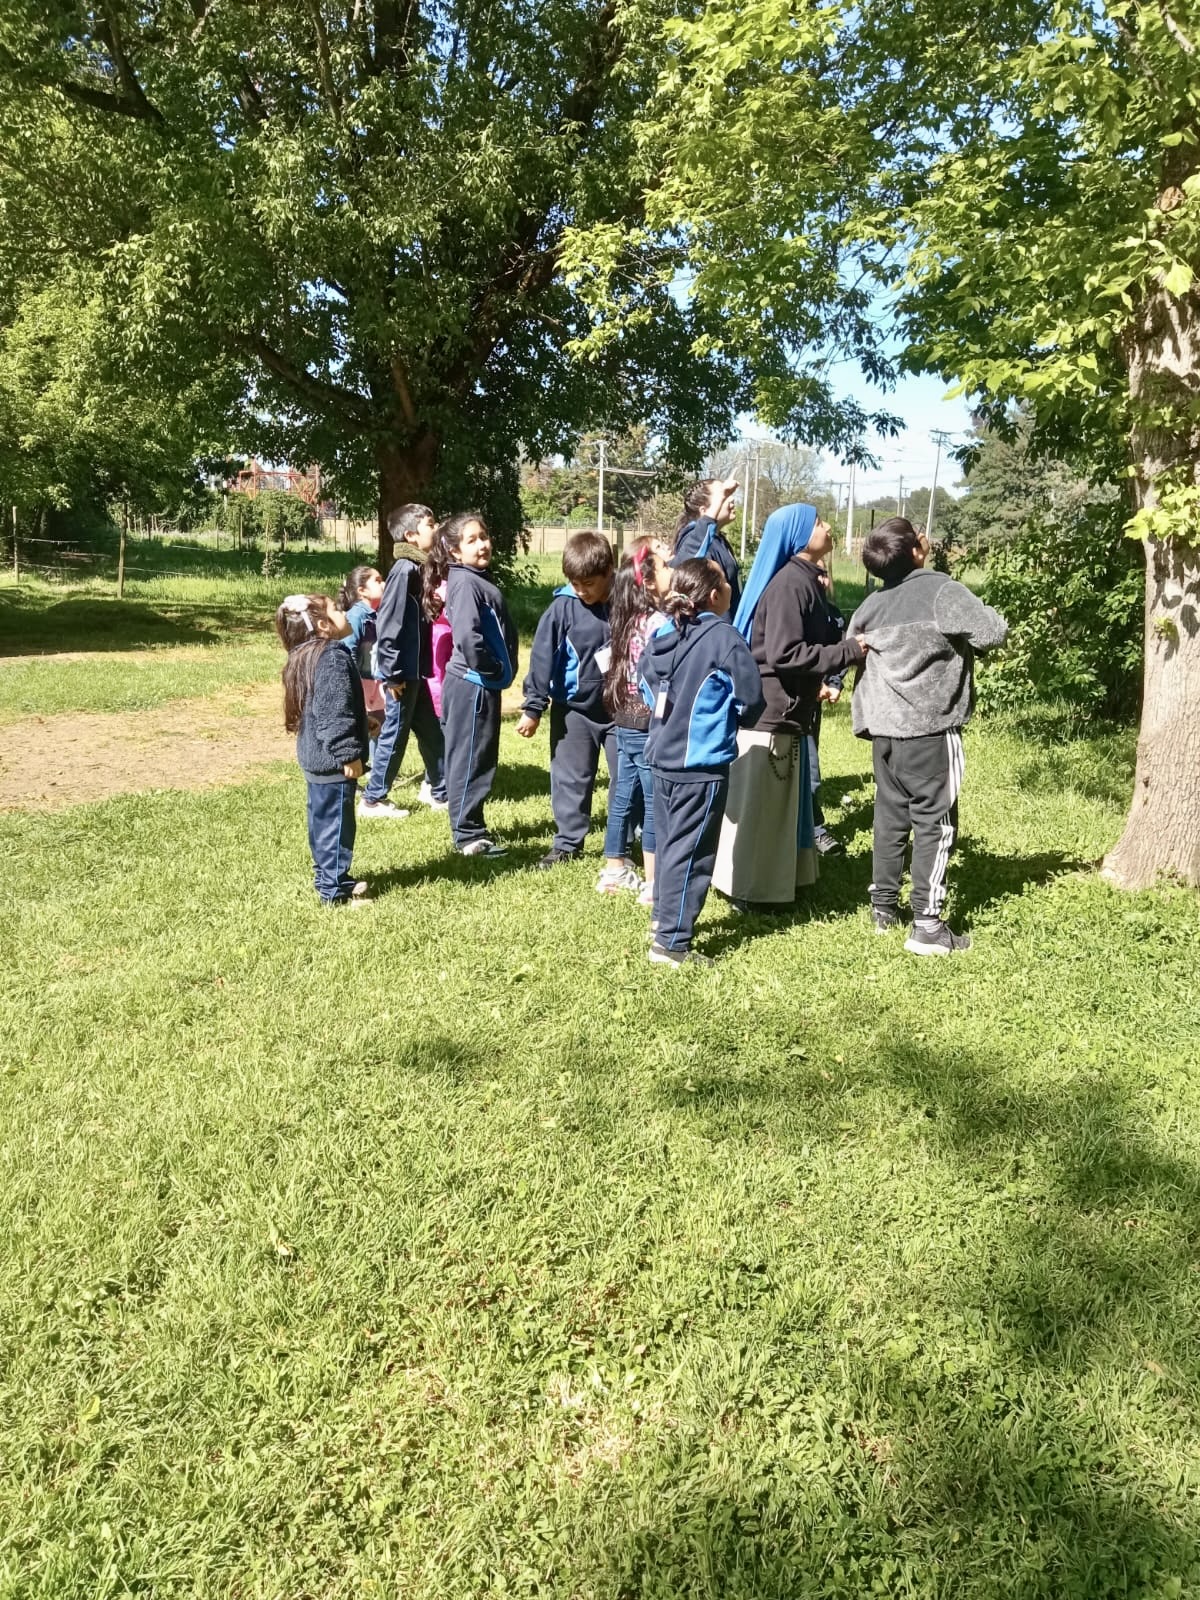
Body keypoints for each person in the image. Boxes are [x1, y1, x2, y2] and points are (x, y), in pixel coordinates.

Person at [847, 516, 1009, 955]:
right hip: (930, 730)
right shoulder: (941, 591)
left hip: (884, 730)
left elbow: (853, 650)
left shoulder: (870, 605)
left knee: (890, 818)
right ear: (916, 550)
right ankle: (928, 926)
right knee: (935, 824)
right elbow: (992, 633)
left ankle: (883, 908)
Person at [713, 504, 867, 909]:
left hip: (788, 712)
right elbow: (785, 653)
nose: (828, 526)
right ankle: (745, 889)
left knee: (775, 809)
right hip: (771, 713)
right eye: (818, 522)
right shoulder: (789, 586)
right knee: (759, 811)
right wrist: (848, 652)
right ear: (799, 536)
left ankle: (775, 884)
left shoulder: (804, 580)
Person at [639, 558, 765, 967]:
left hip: (661, 757)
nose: (730, 587)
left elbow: (644, 684)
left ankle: (662, 919)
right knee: (691, 852)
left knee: (670, 844)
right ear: (714, 595)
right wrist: (730, 719)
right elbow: (750, 698)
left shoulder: (663, 631)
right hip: (701, 765)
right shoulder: (723, 637)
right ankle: (672, 944)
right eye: (726, 582)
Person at [516, 530, 618, 870]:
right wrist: (533, 707)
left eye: (588, 583)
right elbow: (542, 658)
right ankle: (567, 844)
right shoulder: (561, 608)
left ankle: (622, 842)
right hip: (573, 710)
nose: (581, 591)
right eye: (575, 583)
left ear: (609, 572)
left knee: (627, 778)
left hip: (622, 710)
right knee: (571, 778)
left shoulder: (628, 600)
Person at [275, 593, 371, 905]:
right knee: (337, 828)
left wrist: (363, 720)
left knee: (322, 825)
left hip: (315, 757)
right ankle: (334, 892)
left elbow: (319, 706)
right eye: (337, 609)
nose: (344, 612)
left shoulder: (304, 655)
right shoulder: (331, 656)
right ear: (322, 625)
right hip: (333, 761)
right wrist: (348, 753)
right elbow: (333, 713)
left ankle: (329, 878)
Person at [360, 503, 448, 819]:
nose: (436, 528)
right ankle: (373, 800)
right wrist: (392, 674)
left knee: (431, 733)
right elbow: (389, 623)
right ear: (410, 535)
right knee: (394, 734)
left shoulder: (420, 568)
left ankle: (441, 792)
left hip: (415, 671)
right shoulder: (404, 570)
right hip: (401, 674)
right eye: (430, 524)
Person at [438, 511, 518, 857]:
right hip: (472, 686)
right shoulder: (466, 583)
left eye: (483, 537)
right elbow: (469, 637)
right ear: (455, 551)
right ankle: (468, 836)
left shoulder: (472, 578)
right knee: (470, 758)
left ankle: (470, 828)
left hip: (480, 686)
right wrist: (491, 667)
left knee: (479, 756)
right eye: (471, 540)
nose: (482, 545)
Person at [599, 540, 671, 900]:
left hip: (624, 719)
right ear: (649, 582)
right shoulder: (659, 623)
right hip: (647, 723)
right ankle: (654, 882)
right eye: (664, 567)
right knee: (655, 800)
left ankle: (614, 869)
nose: (671, 570)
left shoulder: (625, 620)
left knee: (623, 795)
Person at [670, 477, 743, 615]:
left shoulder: (718, 540)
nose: (732, 499)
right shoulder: (698, 543)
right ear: (704, 511)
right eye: (724, 496)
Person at [336, 563, 386, 760]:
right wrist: (354, 683)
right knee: (364, 726)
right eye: (378, 581)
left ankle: (376, 767)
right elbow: (348, 650)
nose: (384, 584)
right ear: (362, 590)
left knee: (378, 726)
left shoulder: (378, 613)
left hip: (376, 680)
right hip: (362, 682)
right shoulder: (357, 616)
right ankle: (358, 765)